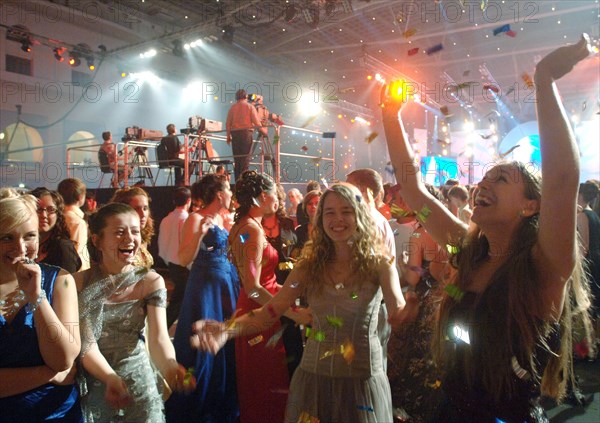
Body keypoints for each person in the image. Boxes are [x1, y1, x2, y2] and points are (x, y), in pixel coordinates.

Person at [380, 35, 594, 422]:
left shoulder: (544, 266)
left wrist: (544, 80)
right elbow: (412, 189)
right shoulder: (468, 250)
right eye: (485, 178)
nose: (483, 185)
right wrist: (390, 116)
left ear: (531, 205)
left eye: (501, 180)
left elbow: (562, 177)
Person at [192, 183, 407, 422]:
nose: (338, 219)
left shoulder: (380, 265)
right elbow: (271, 311)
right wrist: (226, 330)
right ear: (320, 218)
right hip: (314, 378)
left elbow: (397, 309)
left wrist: (406, 314)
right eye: (330, 212)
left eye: (346, 211)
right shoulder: (309, 265)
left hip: (362, 381)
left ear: (360, 215)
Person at [75, 203, 190, 421]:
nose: (130, 238)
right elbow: (86, 345)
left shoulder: (150, 281)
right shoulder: (79, 283)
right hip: (97, 385)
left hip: (139, 385)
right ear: (97, 240)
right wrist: (109, 378)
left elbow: (158, 339)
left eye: (135, 231)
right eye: (119, 232)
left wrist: (170, 365)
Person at [228, 170, 305, 423]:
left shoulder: (246, 226)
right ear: (263, 196)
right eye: (275, 194)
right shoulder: (252, 230)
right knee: (266, 383)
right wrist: (286, 310)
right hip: (261, 311)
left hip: (258, 306)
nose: (279, 200)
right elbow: (253, 286)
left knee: (262, 381)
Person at [0, 193, 82, 421]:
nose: (20, 247)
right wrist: (48, 374)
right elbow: (59, 369)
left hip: (56, 413)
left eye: (29, 236)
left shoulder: (61, 280)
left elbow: (63, 359)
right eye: (7, 237)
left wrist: (37, 297)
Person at [165, 175, 240, 423]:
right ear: (219, 193)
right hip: (205, 289)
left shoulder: (222, 218)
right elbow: (183, 258)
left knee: (223, 342)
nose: (231, 194)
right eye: (228, 190)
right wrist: (201, 233)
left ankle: (221, 404)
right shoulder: (195, 218)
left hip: (225, 285)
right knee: (200, 346)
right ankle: (194, 405)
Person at [262, 184, 303, 378]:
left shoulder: (287, 223)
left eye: (277, 199)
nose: (275, 202)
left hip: (286, 281)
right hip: (263, 282)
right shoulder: (253, 225)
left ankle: (293, 372)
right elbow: (243, 249)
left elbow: (293, 253)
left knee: (289, 327)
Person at [158, 187, 191, 328]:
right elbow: (187, 243)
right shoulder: (186, 219)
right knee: (179, 300)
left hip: (171, 263)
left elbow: (162, 242)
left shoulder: (166, 219)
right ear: (189, 201)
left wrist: (167, 260)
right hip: (183, 265)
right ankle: (163, 327)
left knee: (181, 299)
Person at [30, 187, 82, 273]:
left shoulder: (63, 248)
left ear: (58, 214)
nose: (44, 215)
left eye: (51, 210)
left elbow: (68, 284)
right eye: (38, 209)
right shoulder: (22, 244)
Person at [110, 187, 155, 268]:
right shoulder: (116, 238)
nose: (143, 214)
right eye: (136, 209)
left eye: (145, 208)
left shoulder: (142, 235)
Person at [226, 89, 261, 181]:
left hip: (235, 135)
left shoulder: (232, 108)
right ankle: (244, 182)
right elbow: (256, 122)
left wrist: (228, 136)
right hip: (246, 134)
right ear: (245, 97)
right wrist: (263, 129)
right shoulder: (249, 107)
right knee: (245, 160)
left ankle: (238, 181)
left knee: (237, 160)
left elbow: (228, 123)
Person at [58, 178, 90, 270]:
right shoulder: (77, 221)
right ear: (80, 197)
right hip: (77, 272)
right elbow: (77, 251)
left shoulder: (58, 216)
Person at [291, 190, 321, 259]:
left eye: (317, 203)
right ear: (305, 207)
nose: (313, 206)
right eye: (310, 204)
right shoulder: (300, 230)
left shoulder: (328, 228)